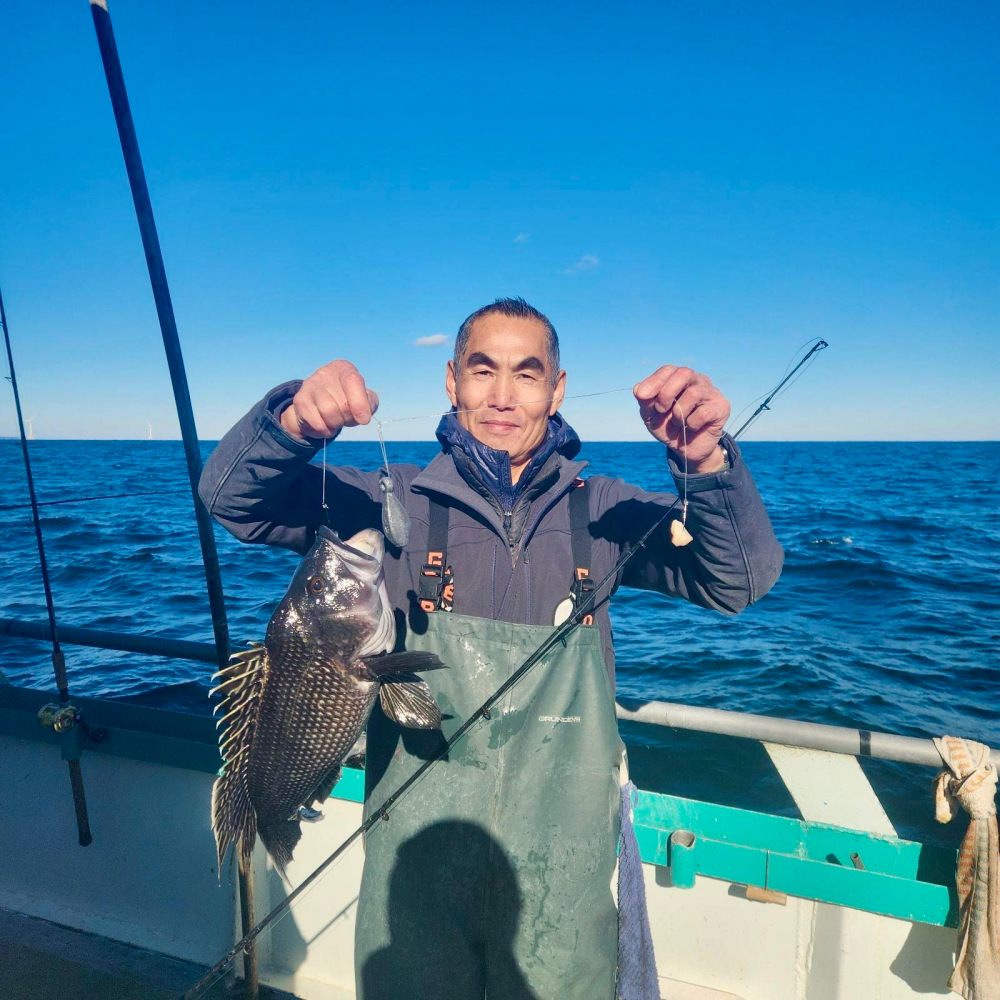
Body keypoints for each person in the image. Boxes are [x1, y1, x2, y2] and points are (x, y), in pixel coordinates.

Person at [199, 296, 783, 999]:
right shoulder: (394, 505)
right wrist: (291, 421)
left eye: (527, 373)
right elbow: (232, 500)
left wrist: (705, 461)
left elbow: (739, 580)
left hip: (562, 878)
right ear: (452, 381)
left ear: (556, 389)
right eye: (483, 371)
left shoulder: (600, 511)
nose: (502, 395)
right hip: (414, 874)